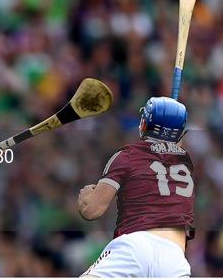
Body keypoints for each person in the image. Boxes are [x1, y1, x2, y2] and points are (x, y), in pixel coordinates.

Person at [78, 96, 195, 277]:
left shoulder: (127, 156)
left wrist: (86, 196)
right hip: (175, 259)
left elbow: (92, 210)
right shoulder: (185, 162)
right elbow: (171, 146)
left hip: (135, 247)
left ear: (144, 124)